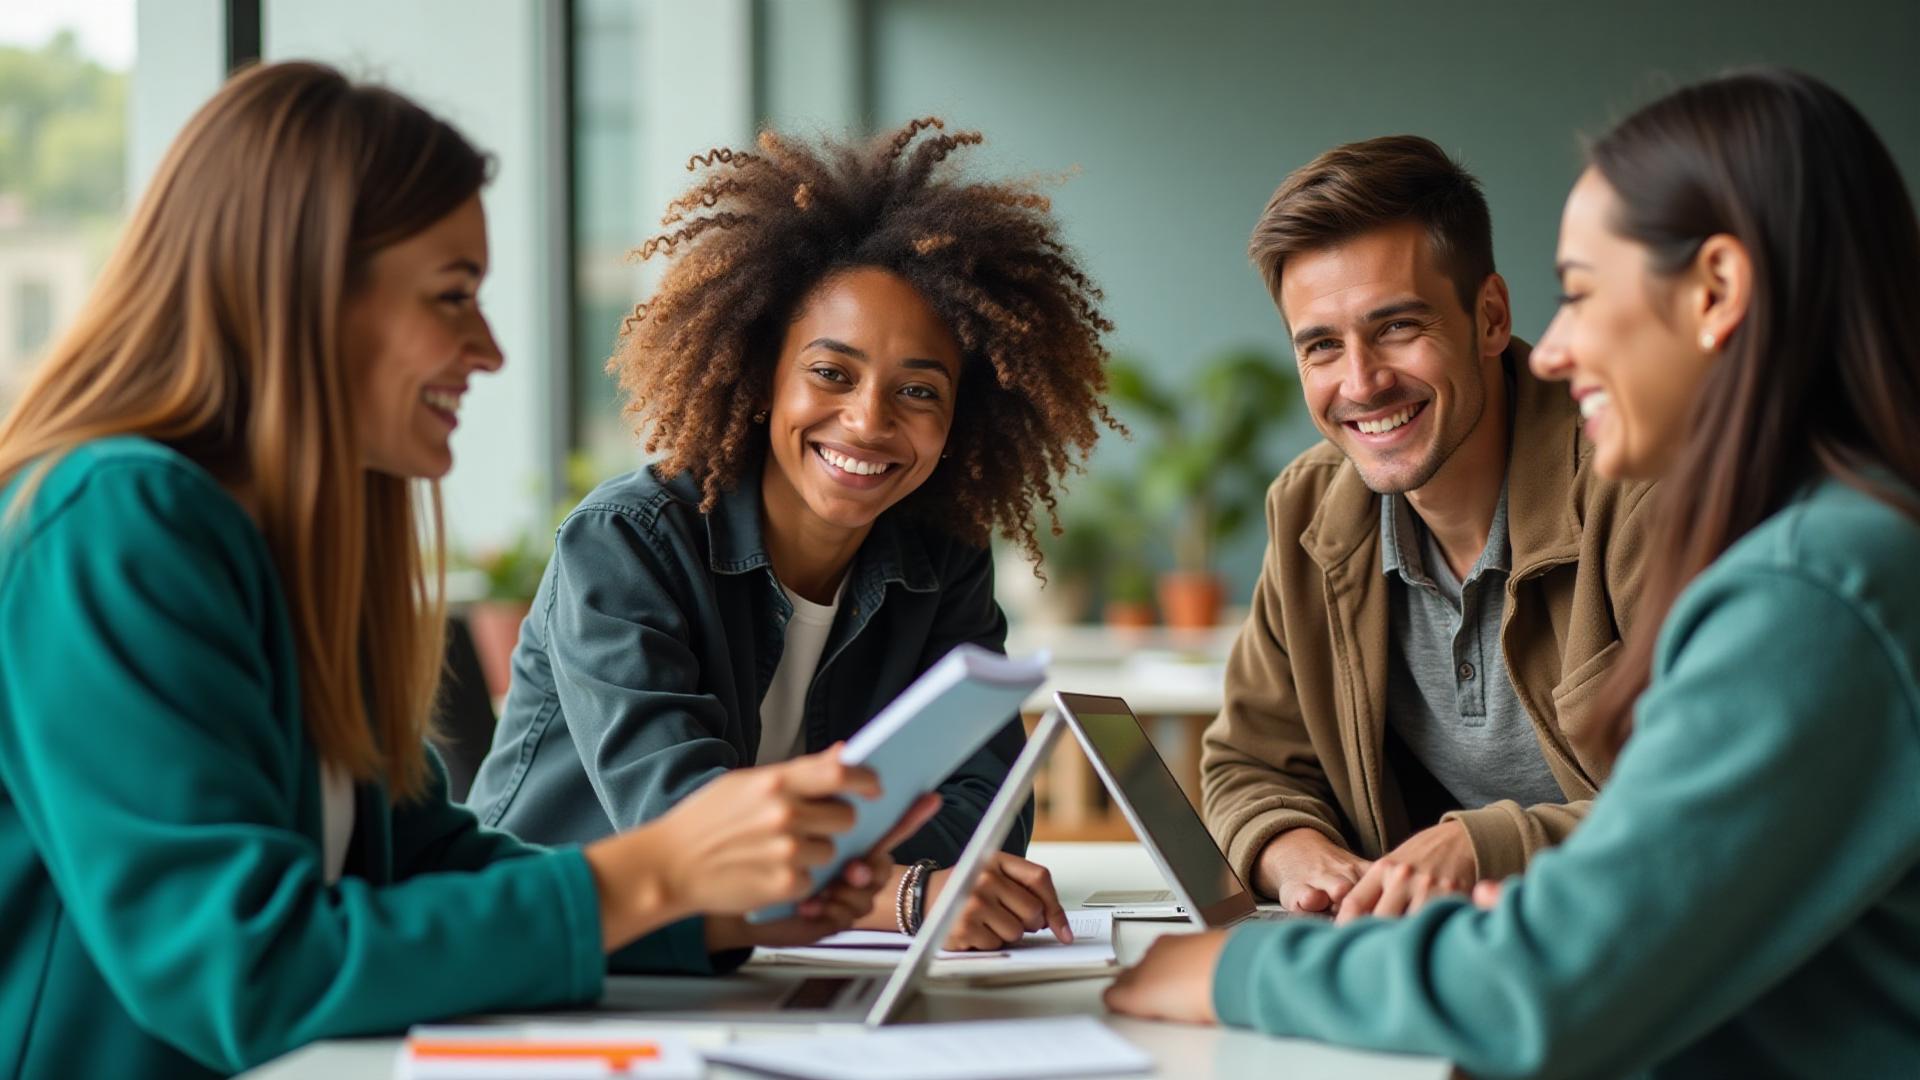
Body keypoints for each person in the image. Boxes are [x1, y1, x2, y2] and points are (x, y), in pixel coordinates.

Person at [0, 62, 933, 1079]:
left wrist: (705, 910)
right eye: (453, 297)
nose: (486, 349)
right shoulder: (119, 521)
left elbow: (417, 856)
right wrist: (657, 873)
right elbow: (246, 965)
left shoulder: (305, 541)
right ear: (303, 294)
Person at [1108, 68, 1920, 1077]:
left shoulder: (1817, 587)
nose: (1557, 346)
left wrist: (1232, 972)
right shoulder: (1838, 547)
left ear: (1715, 291)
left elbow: (1549, 986)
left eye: (1580, 293)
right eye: (1320, 345)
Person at [465, 119, 1116, 949]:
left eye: (919, 391)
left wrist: (861, 886)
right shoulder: (626, 544)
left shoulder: (941, 556)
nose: (869, 420)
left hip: (767, 962)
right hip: (564, 962)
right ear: (762, 369)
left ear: (964, 416)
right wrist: (898, 893)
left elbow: (987, 804)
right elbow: (678, 830)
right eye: (831, 373)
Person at [1199, 135, 1653, 922]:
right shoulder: (1309, 510)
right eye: (1322, 347)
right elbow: (1247, 762)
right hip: (1441, 958)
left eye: (1398, 327)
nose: (1362, 382)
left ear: (1490, 317)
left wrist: (1484, 846)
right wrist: (1293, 850)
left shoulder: (1635, 482)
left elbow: (1714, 797)